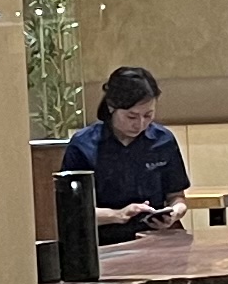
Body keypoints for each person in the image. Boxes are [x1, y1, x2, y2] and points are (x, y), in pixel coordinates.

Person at [60, 67, 190, 237]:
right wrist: (118, 215)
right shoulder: (83, 145)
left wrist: (175, 212)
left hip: (155, 237)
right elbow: (72, 211)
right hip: (105, 241)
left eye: (148, 115)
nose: (140, 124)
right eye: (131, 117)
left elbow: (177, 196)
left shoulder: (163, 140)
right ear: (111, 107)